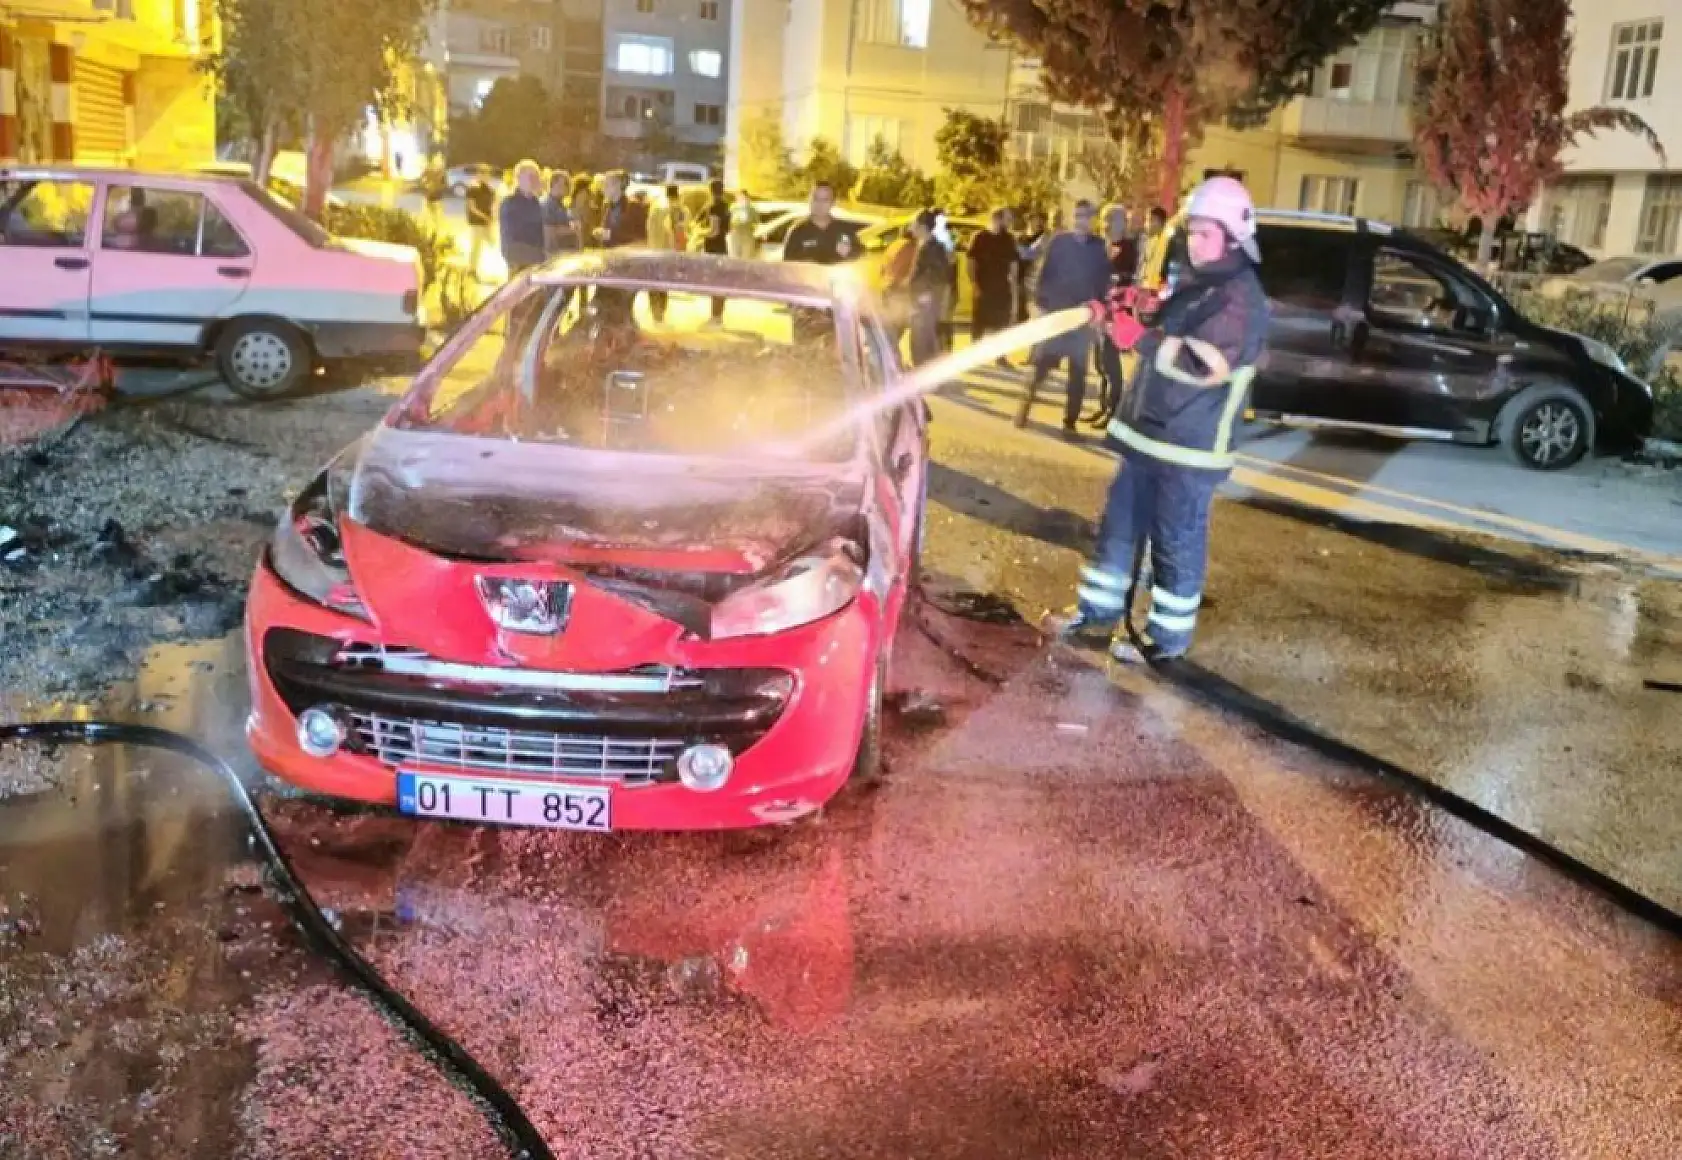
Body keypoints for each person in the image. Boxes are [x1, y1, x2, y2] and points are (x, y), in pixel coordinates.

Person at [1046, 176, 1270, 664]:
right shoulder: (1201, 282)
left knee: (1175, 542)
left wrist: (1138, 339)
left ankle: (1165, 643)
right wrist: (1131, 306)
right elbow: (1166, 321)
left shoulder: (1239, 297)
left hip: (1190, 448)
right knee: (1118, 530)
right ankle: (1096, 616)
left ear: (1234, 238)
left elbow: (1203, 366)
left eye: (1206, 234)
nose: (1196, 242)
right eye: (1193, 231)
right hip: (1150, 435)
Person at [1015, 199, 1111, 438]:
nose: (1082, 221)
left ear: (1092, 220)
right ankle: (1026, 402)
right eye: (1078, 215)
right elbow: (1044, 273)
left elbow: (1103, 281)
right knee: (1042, 363)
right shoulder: (1059, 242)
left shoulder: (1098, 247)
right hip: (1057, 313)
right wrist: (1040, 305)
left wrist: (1100, 312)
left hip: (1082, 317)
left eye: (1087, 216)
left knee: (1078, 372)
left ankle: (1070, 421)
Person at [967, 207, 1018, 366]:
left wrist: (1013, 286)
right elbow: (971, 262)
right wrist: (974, 284)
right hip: (983, 288)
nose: (1009, 223)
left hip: (1002, 289)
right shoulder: (979, 237)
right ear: (997, 218)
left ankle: (1000, 357)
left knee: (1001, 324)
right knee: (979, 324)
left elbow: (1013, 264)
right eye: (1007, 219)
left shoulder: (1008, 239)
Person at [907, 210, 952, 368]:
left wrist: (925, 296)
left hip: (925, 301)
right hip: (922, 300)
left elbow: (938, 276)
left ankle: (924, 372)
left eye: (913, 224)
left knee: (922, 340)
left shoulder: (932, 248)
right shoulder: (925, 246)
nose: (911, 227)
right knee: (922, 339)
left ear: (922, 227)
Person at [782, 182, 855, 265]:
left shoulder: (844, 229)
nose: (820, 204)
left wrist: (850, 253)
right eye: (815, 199)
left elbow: (861, 258)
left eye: (825, 200)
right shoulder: (797, 231)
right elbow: (788, 265)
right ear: (809, 200)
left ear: (833, 203)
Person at [498, 159, 547, 277]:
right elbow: (511, 239)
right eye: (530, 177)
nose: (534, 181)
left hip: (538, 262)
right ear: (518, 178)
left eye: (536, 177)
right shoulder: (510, 203)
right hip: (519, 262)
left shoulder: (537, 203)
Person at [646, 182, 687, 322]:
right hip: (669, 251)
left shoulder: (656, 207)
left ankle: (655, 312)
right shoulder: (680, 209)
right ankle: (661, 312)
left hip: (654, 249)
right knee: (664, 283)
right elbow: (680, 230)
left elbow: (650, 227)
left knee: (653, 282)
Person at [701, 178, 732, 324]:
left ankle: (715, 316)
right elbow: (727, 229)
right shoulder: (726, 206)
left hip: (713, 247)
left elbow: (714, 230)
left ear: (711, 190)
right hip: (722, 246)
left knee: (714, 282)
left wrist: (700, 233)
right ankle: (718, 315)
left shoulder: (714, 207)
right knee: (720, 282)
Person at [465, 166, 498, 281]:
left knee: (492, 244)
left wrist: (492, 217)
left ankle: (488, 269)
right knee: (476, 246)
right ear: (477, 175)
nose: (485, 176)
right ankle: (472, 270)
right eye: (482, 173)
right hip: (476, 222)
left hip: (487, 221)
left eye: (487, 174)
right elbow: (471, 207)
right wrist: (485, 217)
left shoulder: (490, 190)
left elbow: (493, 205)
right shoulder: (472, 189)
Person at [1015, 210, 1048, 323]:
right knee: (1021, 316)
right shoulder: (1020, 238)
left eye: (1040, 220)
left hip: (1035, 284)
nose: (1038, 223)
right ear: (1029, 221)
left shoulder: (1043, 238)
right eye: (1035, 220)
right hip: (1021, 282)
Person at [543, 169, 578, 256]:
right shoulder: (547, 204)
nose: (567, 188)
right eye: (564, 184)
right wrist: (572, 230)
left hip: (564, 253)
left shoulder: (561, 204)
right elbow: (548, 231)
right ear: (553, 184)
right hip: (553, 254)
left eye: (567, 184)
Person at [1137, 205, 1171, 290]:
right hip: (1146, 288)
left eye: (1149, 220)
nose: (1146, 225)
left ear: (1160, 222)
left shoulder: (1169, 242)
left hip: (1158, 290)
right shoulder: (1150, 240)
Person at [570, 174, 599, 250]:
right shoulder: (585, 193)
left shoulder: (575, 194)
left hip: (578, 221)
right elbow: (583, 209)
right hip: (584, 222)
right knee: (583, 242)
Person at [728, 189, 759, 259]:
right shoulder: (733, 208)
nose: (740, 199)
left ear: (746, 197)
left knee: (746, 257)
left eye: (742, 197)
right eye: (738, 197)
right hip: (735, 235)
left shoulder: (752, 209)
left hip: (747, 236)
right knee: (735, 257)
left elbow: (757, 223)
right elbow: (729, 221)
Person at [420, 155, 447, 228]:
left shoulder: (442, 173)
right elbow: (422, 181)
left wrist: (437, 187)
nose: (440, 164)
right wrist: (426, 184)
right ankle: (426, 228)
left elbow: (444, 185)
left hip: (437, 198)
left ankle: (436, 228)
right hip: (427, 197)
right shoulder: (427, 171)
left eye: (441, 162)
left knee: (438, 216)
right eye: (438, 161)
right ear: (434, 162)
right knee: (425, 215)